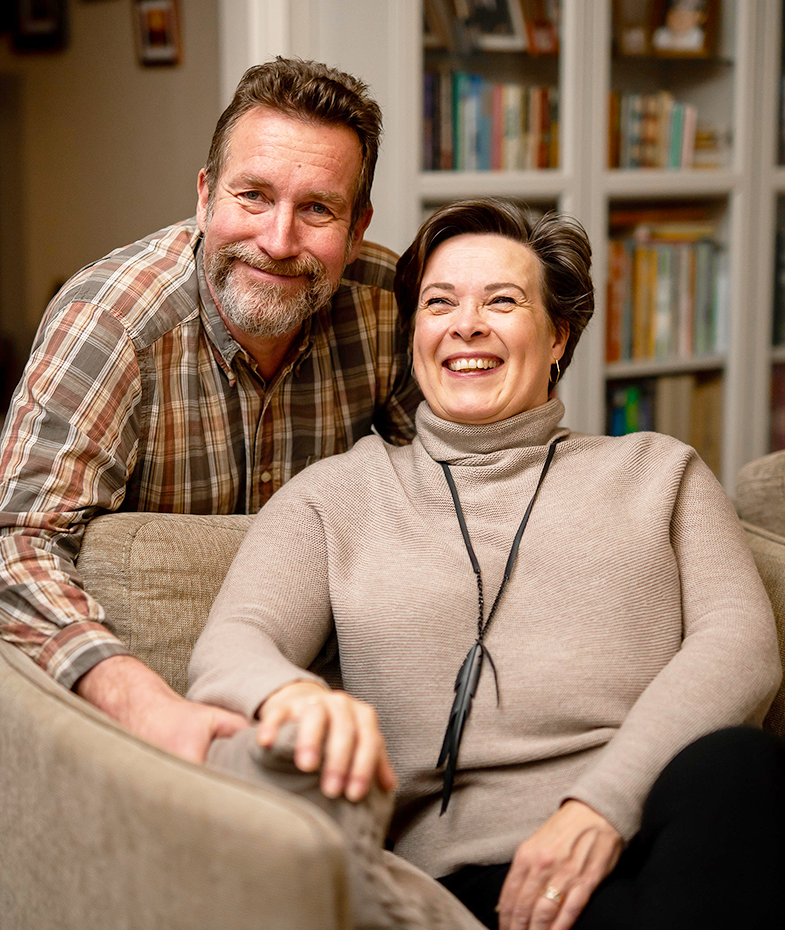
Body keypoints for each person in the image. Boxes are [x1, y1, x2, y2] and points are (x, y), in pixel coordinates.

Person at [188, 197, 784, 929]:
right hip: (457, 893)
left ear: (558, 335)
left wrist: (599, 806)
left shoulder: (659, 473)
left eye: (501, 301)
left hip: (646, 844)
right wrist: (291, 696)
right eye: (439, 303)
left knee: (739, 767)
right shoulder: (335, 497)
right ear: (416, 335)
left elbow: (743, 646)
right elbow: (231, 642)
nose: (465, 323)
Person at [0, 58, 421, 764]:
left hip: (331, 696)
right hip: (145, 703)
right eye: (252, 195)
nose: (279, 241)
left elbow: (449, 488)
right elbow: (14, 542)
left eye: (317, 208)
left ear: (357, 228)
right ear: (203, 197)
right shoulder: (110, 324)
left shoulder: (393, 308)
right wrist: (143, 705)